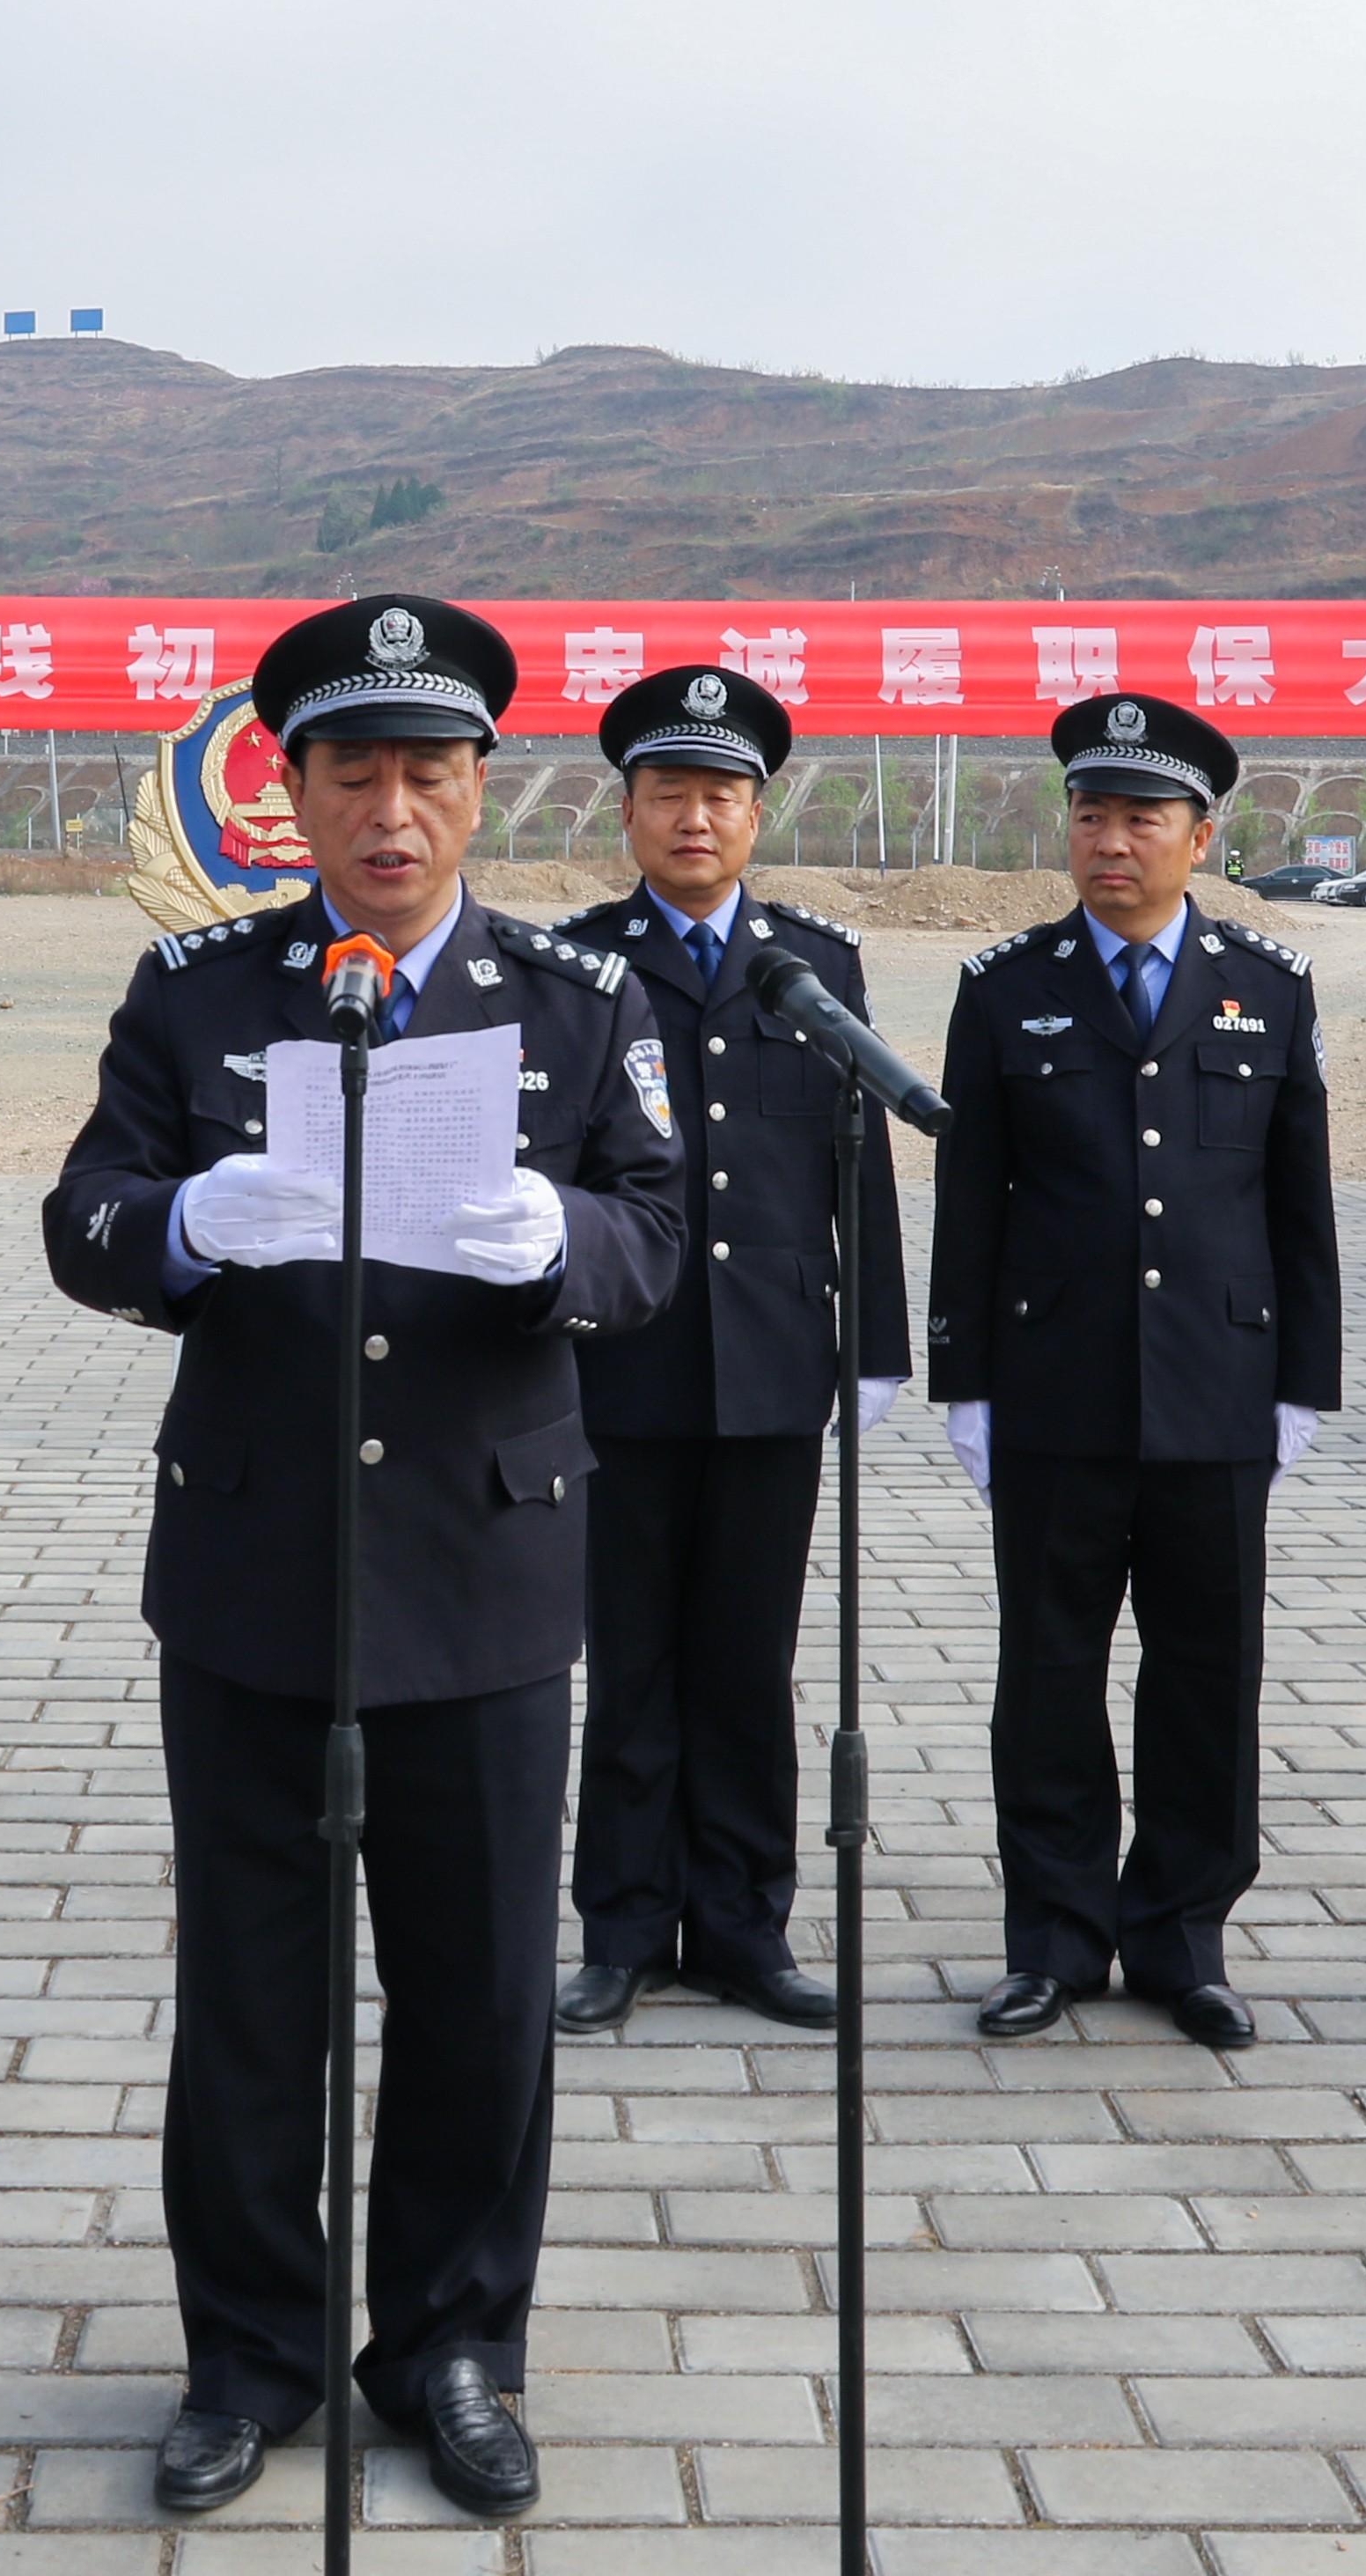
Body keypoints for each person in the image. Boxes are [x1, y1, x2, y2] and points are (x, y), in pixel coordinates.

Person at [43, 592, 684, 2525]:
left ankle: (454, 2347)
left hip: (483, 1571)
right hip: (254, 1565)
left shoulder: (577, 1002)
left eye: (429, 775)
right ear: (290, 793)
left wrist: (553, 1246)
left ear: (483, 790)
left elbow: (658, 1238)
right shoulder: (200, 994)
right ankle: (249, 2352)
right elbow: (82, 1220)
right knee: (255, 1990)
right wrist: (185, 1223)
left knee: (484, 1991)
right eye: (352, 776)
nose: (391, 813)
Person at [926, 688, 1334, 2050]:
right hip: (1056, 1384)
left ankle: (1182, 1935)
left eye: (1143, 816)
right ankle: (1053, 1938)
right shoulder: (1006, 989)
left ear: (1201, 833)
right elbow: (971, 1196)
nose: (1112, 840)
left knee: (1207, 1672)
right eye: (1092, 813)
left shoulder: (1269, 988)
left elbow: (1298, 1205)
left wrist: (1306, 1384)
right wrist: (964, 1382)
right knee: (1049, 1671)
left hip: (1218, 1385)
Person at [545, 663, 903, 2035]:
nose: (695, 819)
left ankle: (746, 1925)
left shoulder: (818, 968)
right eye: (668, 794)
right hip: (616, 1369)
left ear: (758, 814)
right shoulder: (574, 964)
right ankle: (624, 1927)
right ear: (626, 812)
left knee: (751, 1661)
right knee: (626, 1655)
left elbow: (851, 1166)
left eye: (722, 795)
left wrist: (869, 1348)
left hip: (768, 1372)